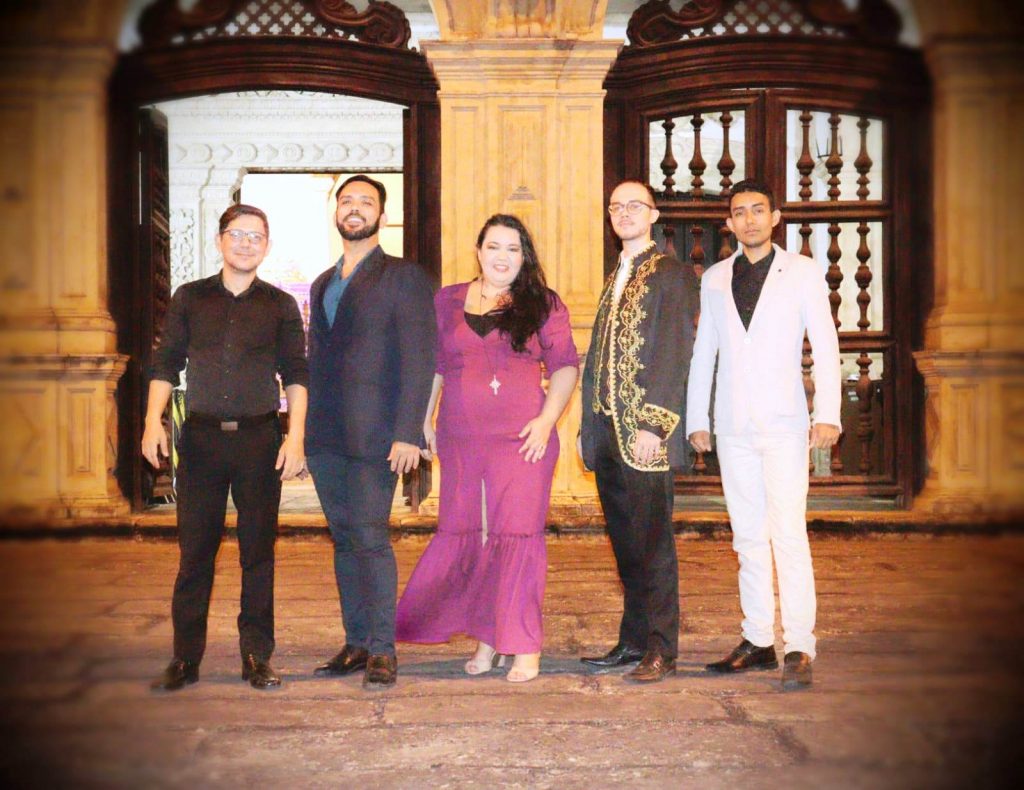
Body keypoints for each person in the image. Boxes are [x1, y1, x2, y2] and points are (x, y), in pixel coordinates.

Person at [395, 214, 579, 683]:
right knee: (475, 535)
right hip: (460, 436)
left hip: (524, 438)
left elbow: (564, 366)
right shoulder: (447, 300)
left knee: (517, 535)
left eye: (513, 249)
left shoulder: (543, 303)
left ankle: (524, 645)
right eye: (493, 246)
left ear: (524, 256)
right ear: (478, 251)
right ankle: (487, 636)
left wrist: (546, 421)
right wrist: (423, 419)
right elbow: (436, 364)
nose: (502, 257)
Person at [144, 204, 308, 692]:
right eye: (236, 234)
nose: (245, 243)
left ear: (267, 246)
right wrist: (152, 422)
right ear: (219, 240)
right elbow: (166, 362)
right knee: (195, 552)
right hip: (201, 440)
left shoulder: (280, 305)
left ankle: (257, 655)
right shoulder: (190, 298)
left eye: (255, 236)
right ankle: (184, 658)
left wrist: (296, 437)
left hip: (259, 440)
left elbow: (296, 373)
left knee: (258, 553)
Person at [686, 178, 841, 690]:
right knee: (747, 536)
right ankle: (757, 640)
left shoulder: (802, 272)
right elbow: (704, 351)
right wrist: (698, 418)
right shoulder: (714, 278)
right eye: (739, 212)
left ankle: (799, 644)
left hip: (784, 424)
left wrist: (828, 413)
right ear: (728, 223)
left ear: (775, 217)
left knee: (788, 533)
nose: (749, 219)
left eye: (758, 210)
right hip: (732, 426)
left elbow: (825, 344)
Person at [306, 174, 435, 689]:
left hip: (378, 434)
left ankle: (382, 648)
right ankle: (356, 641)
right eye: (347, 201)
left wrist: (409, 432)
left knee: (370, 537)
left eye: (366, 202)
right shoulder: (322, 283)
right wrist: (302, 434)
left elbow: (420, 358)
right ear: (336, 212)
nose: (355, 208)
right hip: (325, 436)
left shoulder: (404, 277)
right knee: (343, 540)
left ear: (382, 215)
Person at [579, 180, 699, 683]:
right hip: (607, 429)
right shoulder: (615, 275)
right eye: (616, 207)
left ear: (653, 215)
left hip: (645, 433)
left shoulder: (670, 273)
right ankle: (632, 641)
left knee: (653, 546)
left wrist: (655, 423)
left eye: (634, 206)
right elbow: (598, 358)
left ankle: (661, 647)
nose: (624, 213)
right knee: (626, 545)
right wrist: (589, 426)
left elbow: (674, 351)